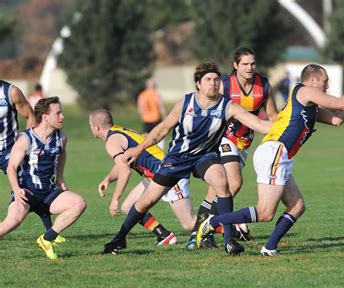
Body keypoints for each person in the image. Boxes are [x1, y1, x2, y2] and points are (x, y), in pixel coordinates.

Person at [196, 63, 344, 255]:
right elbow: (341, 102)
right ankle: (212, 222)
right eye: (325, 81)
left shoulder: (310, 104)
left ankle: (269, 248)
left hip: (278, 154)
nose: (327, 85)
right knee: (265, 212)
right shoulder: (305, 91)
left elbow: (337, 119)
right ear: (313, 80)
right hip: (275, 151)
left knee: (297, 206)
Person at [102, 62, 272, 255]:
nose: (213, 84)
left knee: (221, 182)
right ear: (198, 84)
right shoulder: (186, 103)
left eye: (216, 80)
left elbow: (259, 124)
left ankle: (229, 241)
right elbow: (163, 129)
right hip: (177, 158)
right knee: (147, 200)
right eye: (208, 80)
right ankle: (119, 239)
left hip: (205, 157)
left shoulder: (228, 106)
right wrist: (139, 149)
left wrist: (288, 124)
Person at [185, 47, 278, 249]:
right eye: (245, 64)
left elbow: (273, 117)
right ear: (235, 66)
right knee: (234, 183)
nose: (249, 67)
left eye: (252, 63)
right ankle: (211, 227)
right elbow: (205, 104)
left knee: (217, 188)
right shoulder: (225, 85)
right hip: (224, 139)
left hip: (244, 142)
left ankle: (197, 234)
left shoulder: (263, 86)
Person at [89, 109, 197, 248]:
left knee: (189, 223)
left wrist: (115, 199)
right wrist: (108, 178)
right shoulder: (121, 131)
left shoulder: (111, 141)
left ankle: (229, 226)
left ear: (97, 127)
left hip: (168, 174)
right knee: (128, 206)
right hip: (155, 175)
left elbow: (125, 171)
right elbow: (124, 161)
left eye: (90, 125)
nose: (90, 128)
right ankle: (163, 234)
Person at [0, 97, 87, 259]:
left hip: (49, 193)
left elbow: (62, 153)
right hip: (27, 193)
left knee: (79, 203)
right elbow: (11, 167)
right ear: (45, 117)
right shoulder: (26, 139)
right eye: (58, 113)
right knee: (10, 224)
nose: (62, 117)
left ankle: (47, 239)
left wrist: (60, 177)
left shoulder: (61, 137)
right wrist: (16, 190)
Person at [0, 80, 59, 236]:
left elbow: (30, 116)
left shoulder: (10, 92)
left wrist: (25, 144)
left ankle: (48, 230)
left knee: (26, 185)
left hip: (8, 150)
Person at [137, 79, 167, 148]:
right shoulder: (156, 94)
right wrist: (165, 118)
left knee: (145, 136)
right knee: (158, 135)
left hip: (146, 119)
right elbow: (161, 107)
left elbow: (140, 108)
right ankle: (160, 151)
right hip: (156, 118)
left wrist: (143, 116)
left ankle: (147, 150)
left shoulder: (142, 95)